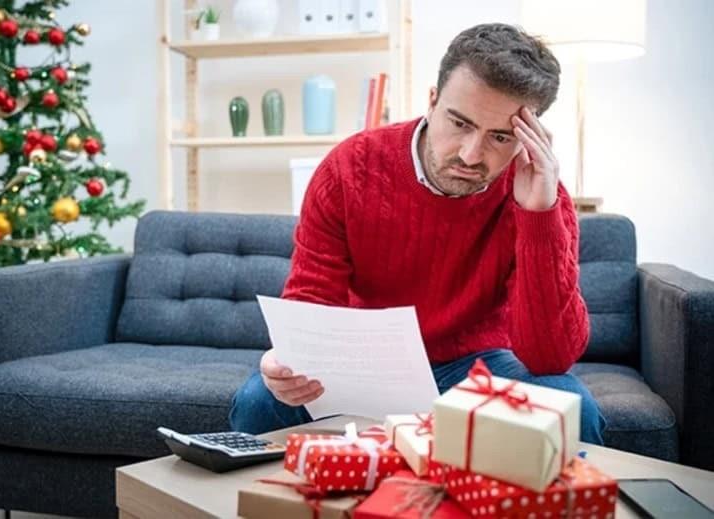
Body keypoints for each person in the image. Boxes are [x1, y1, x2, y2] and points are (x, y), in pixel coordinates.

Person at [229, 23, 606, 444]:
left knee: (571, 405)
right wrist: (289, 361)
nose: (470, 154)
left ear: (530, 137)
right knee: (260, 399)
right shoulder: (349, 168)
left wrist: (537, 215)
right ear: (432, 101)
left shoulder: (541, 196)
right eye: (459, 123)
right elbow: (311, 303)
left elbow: (549, 357)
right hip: (362, 366)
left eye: (500, 137)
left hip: (477, 369)